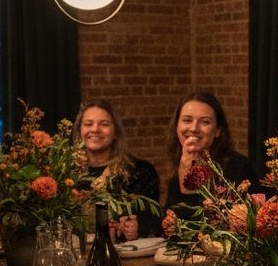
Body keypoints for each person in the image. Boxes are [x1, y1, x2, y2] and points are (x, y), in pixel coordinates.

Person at [162, 92, 260, 223]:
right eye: (187, 120)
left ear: (218, 130)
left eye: (204, 122)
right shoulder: (179, 164)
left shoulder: (239, 167)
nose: (194, 128)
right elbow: (171, 223)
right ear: (177, 127)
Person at [74, 99, 162, 238]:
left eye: (104, 124)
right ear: (80, 131)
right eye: (88, 124)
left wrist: (136, 227)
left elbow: (153, 221)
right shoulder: (67, 174)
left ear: (115, 133)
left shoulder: (141, 171)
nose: (95, 129)